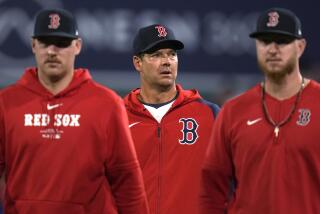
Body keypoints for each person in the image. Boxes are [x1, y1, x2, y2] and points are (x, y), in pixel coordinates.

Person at [0, 8, 149, 213]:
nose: (52, 51)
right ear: (34, 45)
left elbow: (127, 180)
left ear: (77, 46)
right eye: (45, 42)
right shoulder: (6, 103)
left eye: (62, 43)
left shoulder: (106, 104)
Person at [200, 7, 320, 214]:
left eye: (281, 41)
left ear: (300, 47)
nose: (272, 49)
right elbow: (211, 187)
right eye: (265, 41)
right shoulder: (233, 111)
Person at [123, 24, 220, 214]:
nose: (166, 61)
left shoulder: (209, 114)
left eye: (172, 54)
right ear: (138, 63)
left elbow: (232, 179)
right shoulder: (117, 116)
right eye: (156, 55)